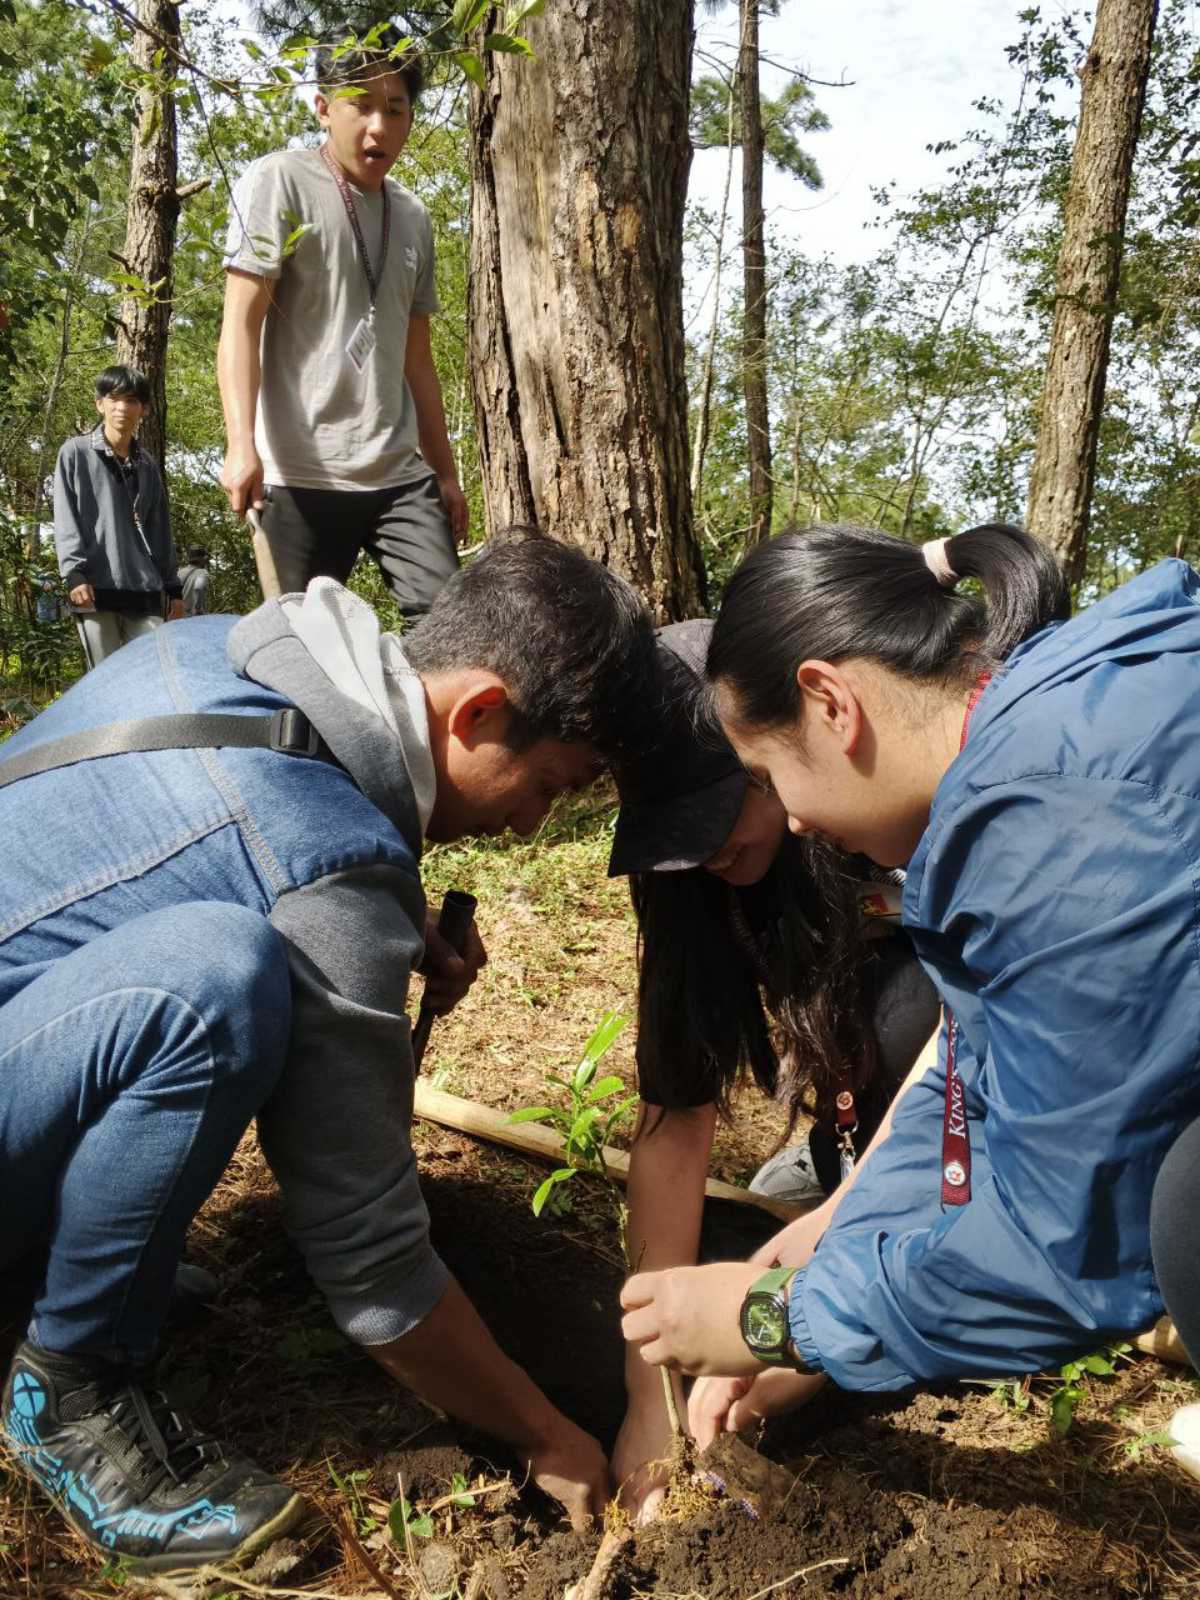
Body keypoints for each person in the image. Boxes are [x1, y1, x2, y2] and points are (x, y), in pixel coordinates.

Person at [0, 534, 658, 1572]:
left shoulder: (233, 648)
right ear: (479, 710)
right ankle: (72, 1389)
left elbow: (200, 847)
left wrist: (384, 920)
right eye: (548, 784)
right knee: (212, 983)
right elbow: (373, 1261)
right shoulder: (324, 863)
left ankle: (55, 1246)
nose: (532, 824)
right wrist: (544, 1432)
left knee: (209, 961)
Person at [620, 523, 1200, 1480]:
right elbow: (977, 1080)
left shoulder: (1060, 824)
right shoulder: (1048, 722)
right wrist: (840, 1233)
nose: (793, 817)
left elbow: (1065, 1246)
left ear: (830, 701)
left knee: (1185, 1213)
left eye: (768, 776)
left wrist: (778, 1321)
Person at [608, 619, 938, 1514]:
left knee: (903, 1012)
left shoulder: (871, 826)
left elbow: (961, 1083)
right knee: (721, 1252)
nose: (706, 852)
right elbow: (675, 1125)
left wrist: (802, 1319)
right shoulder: (691, 887)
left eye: (720, 809)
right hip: (852, 1149)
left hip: (950, 1139)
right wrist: (653, 1395)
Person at [217, 29, 466, 616]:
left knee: (452, 635)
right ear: (324, 109)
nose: (379, 126)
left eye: (397, 108)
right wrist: (239, 445)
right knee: (304, 658)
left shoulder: (412, 215)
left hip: (399, 476)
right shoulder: (280, 181)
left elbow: (417, 360)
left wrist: (446, 473)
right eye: (362, 105)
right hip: (299, 473)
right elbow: (240, 324)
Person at [53, 365, 183, 668]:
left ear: (145, 410)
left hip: (145, 590)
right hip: (94, 588)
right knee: (104, 679)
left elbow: (159, 529)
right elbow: (65, 516)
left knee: (152, 675)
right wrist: (74, 573)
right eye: (114, 399)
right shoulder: (75, 453)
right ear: (100, 403)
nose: (122, 408)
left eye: (132, 401)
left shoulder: (147, 465)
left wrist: (174, 589)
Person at [178, 545, 210, 616]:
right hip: (191, 616)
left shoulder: (179, 572)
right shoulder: (202, 572)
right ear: (202, 558)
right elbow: (199, 587)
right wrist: (198, 610)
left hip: (178, 615)